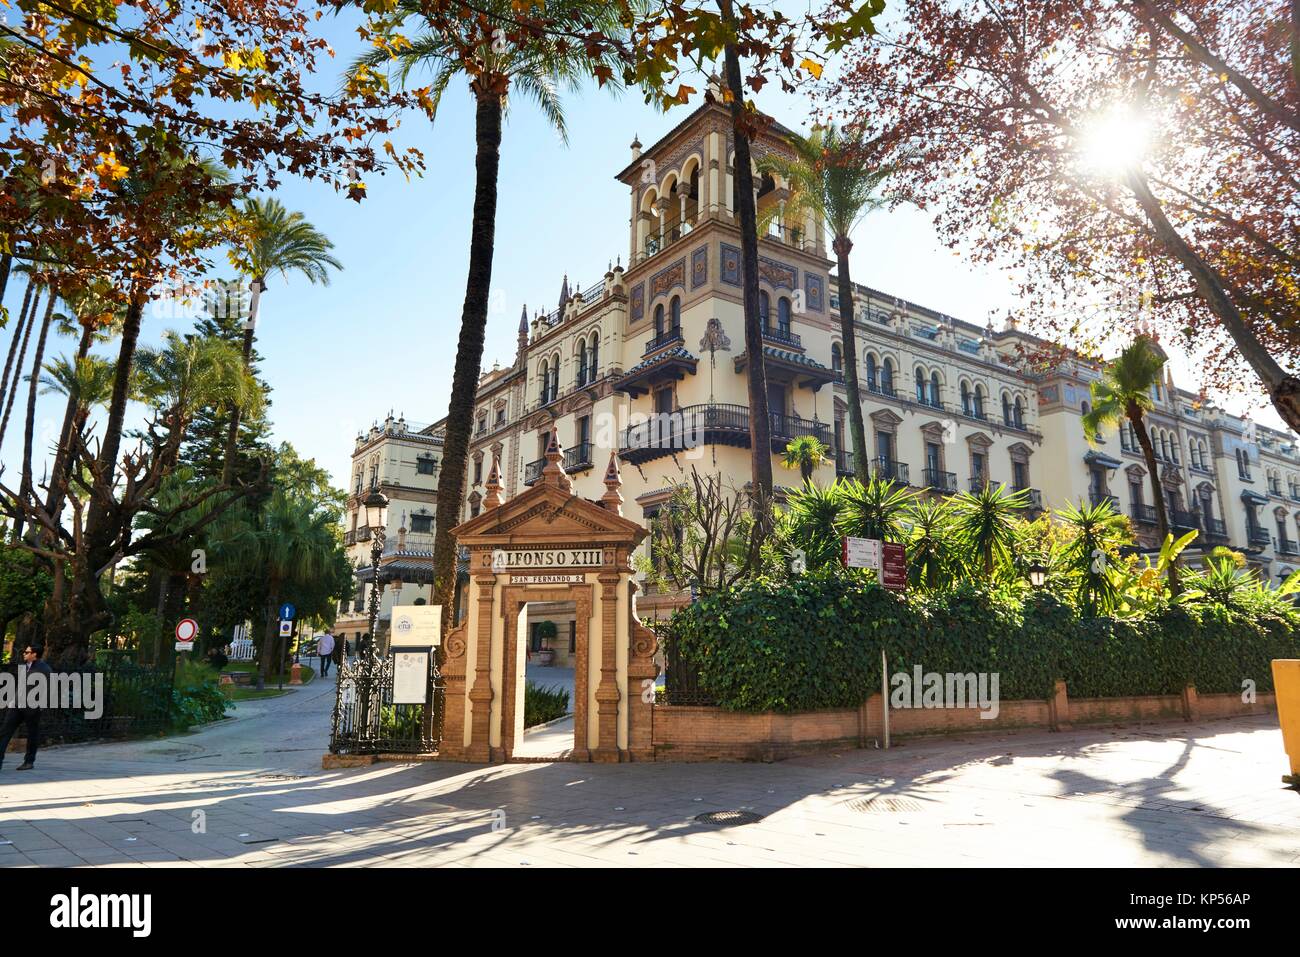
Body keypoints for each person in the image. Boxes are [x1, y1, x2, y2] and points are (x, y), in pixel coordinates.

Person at [0, 644, 53, 771]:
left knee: (32, 734)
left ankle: (29, 761)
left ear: (34, 654)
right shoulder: (24, 667)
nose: (24, 653)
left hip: (32, 707)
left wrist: (40, 706)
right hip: (17, 706)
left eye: (27, 652)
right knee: (4, 732)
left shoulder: (45, 669)